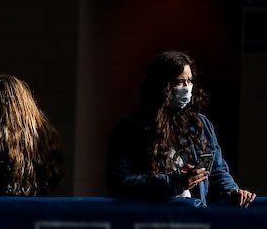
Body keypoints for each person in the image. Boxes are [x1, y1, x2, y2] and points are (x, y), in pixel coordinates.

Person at [106, 50, 255, 206]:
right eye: (179, 82)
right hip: (152, 222)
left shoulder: (200, 125)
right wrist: (173, 183)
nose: (187, 87)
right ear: (162, 86)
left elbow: (216, 172)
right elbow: (119, 182)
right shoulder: (129, 129)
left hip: (193, 221)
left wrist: (233, 192)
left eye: (189, 81)